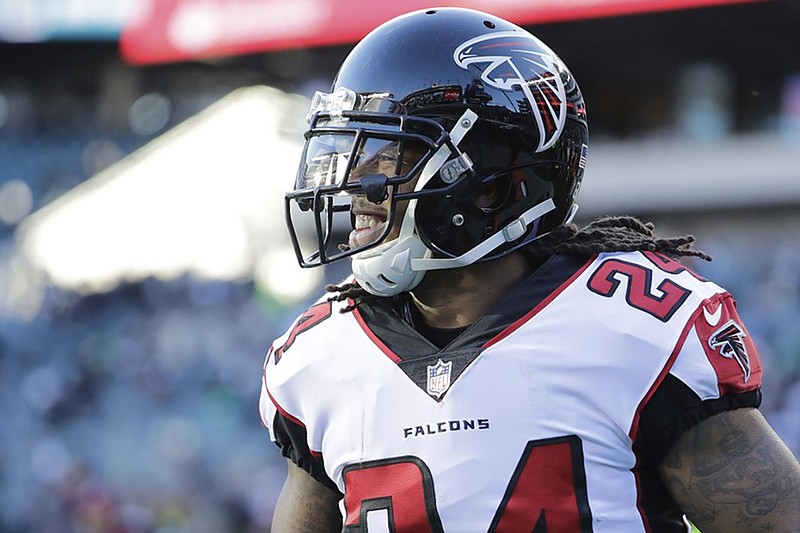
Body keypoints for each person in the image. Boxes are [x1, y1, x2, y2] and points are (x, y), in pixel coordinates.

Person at [259, 7, 800, 532]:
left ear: (490, 187)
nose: (354, 185)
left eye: (386, 155)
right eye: (350, 153)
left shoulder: (636, 326)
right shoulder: (320, 357)